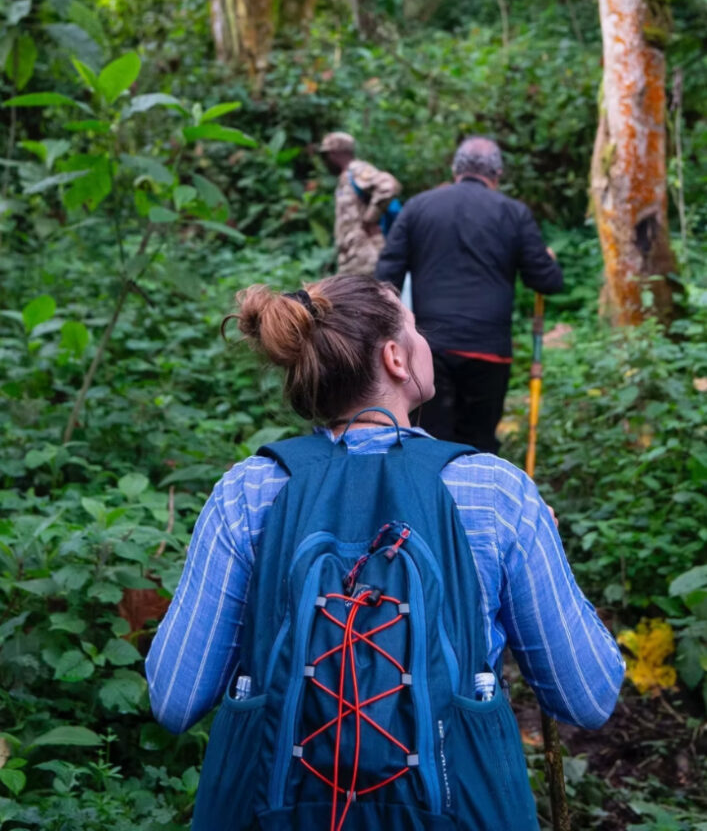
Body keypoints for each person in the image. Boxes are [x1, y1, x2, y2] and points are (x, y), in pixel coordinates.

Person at [146, 275, 624, 829]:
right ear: (396, 358)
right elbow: (587, 695)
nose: (425, 342)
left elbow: (176, 699)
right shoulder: (495, 493)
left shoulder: (249, 491)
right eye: (415, 329)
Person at [376, 136, 564, 453]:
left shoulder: (419, 207)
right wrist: (548, 260)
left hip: (427, 350)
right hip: (488, 352)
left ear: (455, 169)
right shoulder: (513, 213)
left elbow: (384, 281)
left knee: (428, 444)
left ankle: (429, 501)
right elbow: (546, 281)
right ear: (498, 174)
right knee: (478, 444)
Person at [319, 131, 401, 275]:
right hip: (353, 258)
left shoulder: (358, 170)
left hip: (367, 256)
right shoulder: (345, 176)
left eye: (326, 156)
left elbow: (388, 186)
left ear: (333, 153)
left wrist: (370, 218)